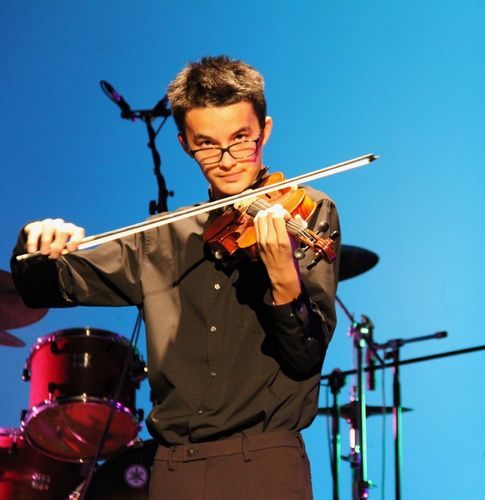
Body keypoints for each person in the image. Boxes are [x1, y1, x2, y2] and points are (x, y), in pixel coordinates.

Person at [10, 55, 340, 499]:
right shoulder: (161, 237)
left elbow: (305, 356)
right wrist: (35, 241)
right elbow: (44, 287)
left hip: (265, 464)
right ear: (185, 144)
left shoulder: (307, 211)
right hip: (173, 471)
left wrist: (283, 278)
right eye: (207, 144)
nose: (227, 160)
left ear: (265, 131)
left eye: (240, 139)